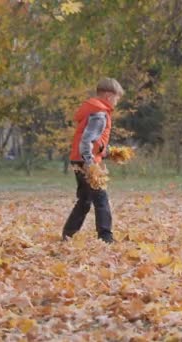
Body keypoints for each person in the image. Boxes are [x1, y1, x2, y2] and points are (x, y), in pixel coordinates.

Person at [62, 78, 124, 243]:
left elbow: (96, 142)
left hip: (78, 159)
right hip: (86, 162)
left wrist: (109, 152)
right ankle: (106, 237)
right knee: (101, 199)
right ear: (108, 95)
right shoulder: (100, 114)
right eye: (117, 97)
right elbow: (87, 141)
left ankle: (68, 234)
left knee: (85, 199)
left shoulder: (92, 110)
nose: (117, 101)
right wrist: (90, 164)